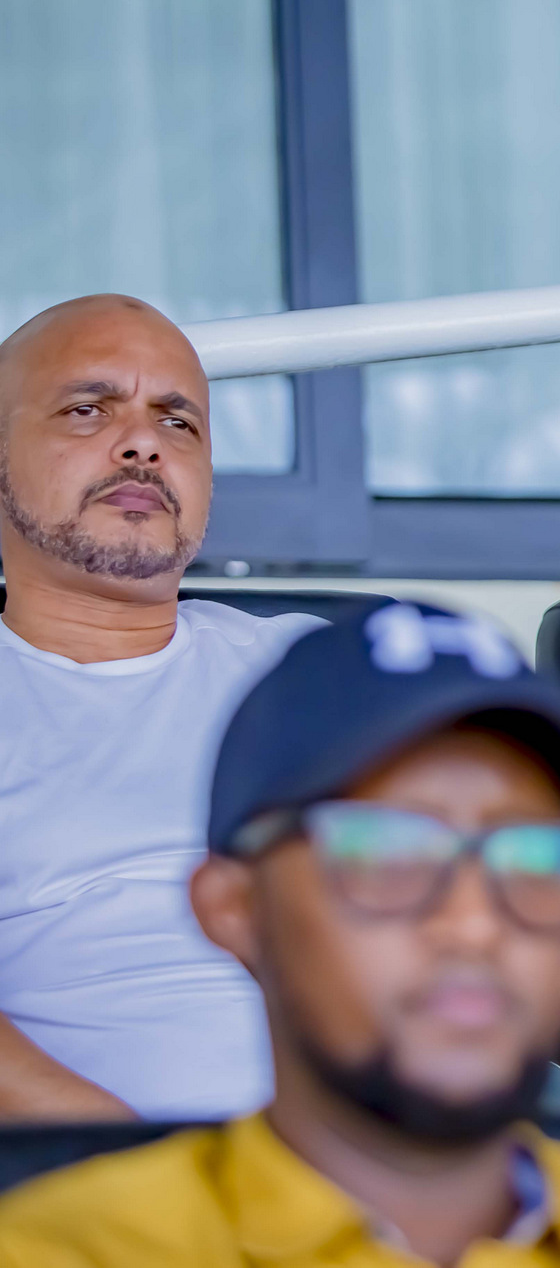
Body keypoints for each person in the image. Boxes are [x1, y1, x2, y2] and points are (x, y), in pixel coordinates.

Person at [0, 602, 560, 1268]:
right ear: (234, 907)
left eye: (531, 858)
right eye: (386, 855)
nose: (475, 921)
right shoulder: (60, 1251)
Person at [0, 294, 330, 1121]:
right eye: (88, 409)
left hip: (383, 1161)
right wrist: (150, 1168)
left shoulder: (319, 671)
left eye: (178, 422)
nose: (144, 443)